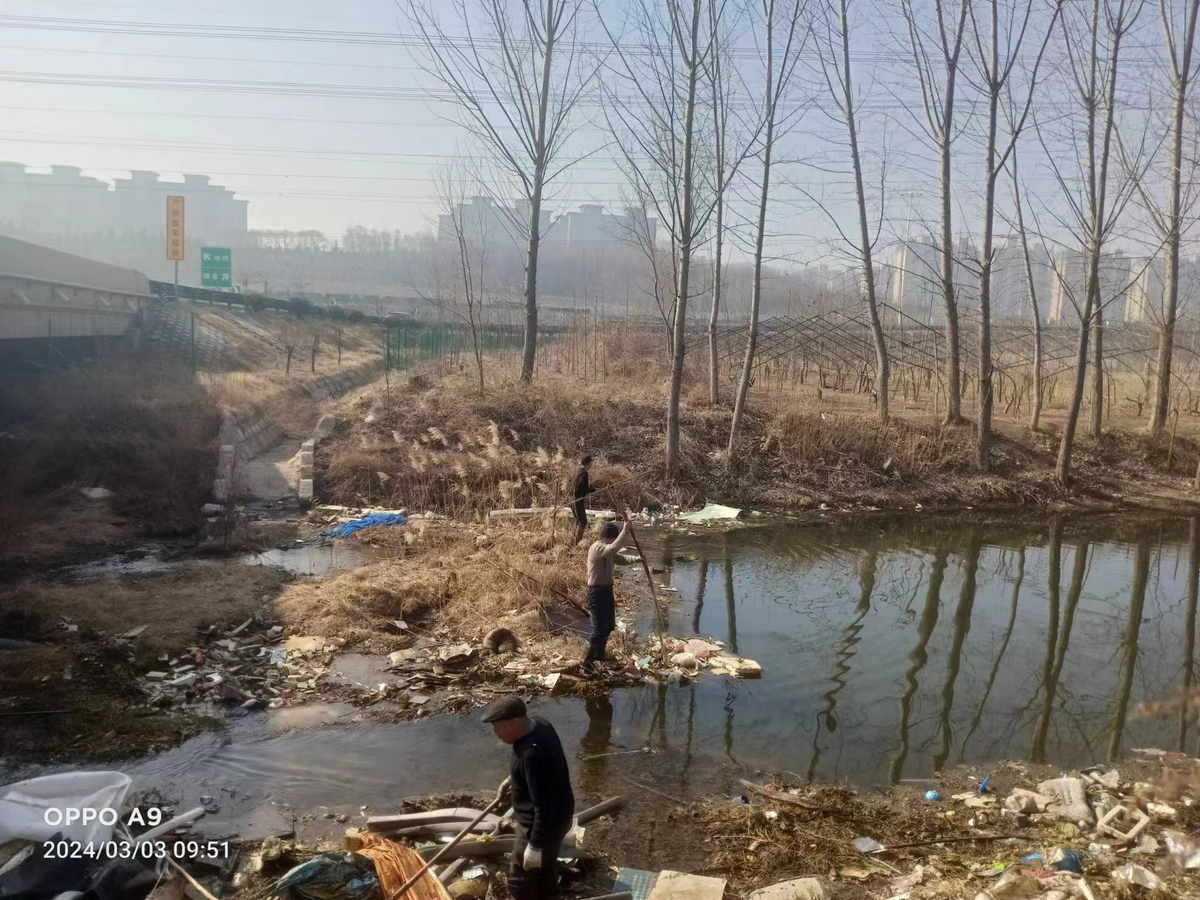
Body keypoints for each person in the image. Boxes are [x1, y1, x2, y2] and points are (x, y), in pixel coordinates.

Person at [481, 696, 575, 900]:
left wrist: (534, 846)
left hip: (539, 827)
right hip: (562, 815)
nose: (495, 734)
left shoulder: (530, 755)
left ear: (513, 724)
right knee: (545, 870)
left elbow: (544, 807)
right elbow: (545, 771)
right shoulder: (541, 724)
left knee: (519, 882)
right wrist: (513, 778)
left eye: (497, 727)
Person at [584, 516, 631, 670]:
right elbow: (613, 549)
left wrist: (637, 559)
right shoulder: (598, 548)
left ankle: (599, 655)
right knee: (598, 630)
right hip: (596, 592)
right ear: (608, 538)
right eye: (614, 538)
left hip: (607, 591)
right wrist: (625, 531)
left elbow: (621, 558)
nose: (614, 541)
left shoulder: (608, 550)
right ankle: (586, 663)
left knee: (609, 625)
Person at [571, 456, 597, 545]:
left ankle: (573, 541)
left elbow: (576, 485)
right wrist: (589, 490)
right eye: (591, 463)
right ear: (588, 463)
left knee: (578, 520)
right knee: (583, 521)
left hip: (572, 499)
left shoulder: (577, 471)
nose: (591, 465)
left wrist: (588, 489)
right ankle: (576, 543)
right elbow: (581, 485)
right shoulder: (584, 473)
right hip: (578, 500)